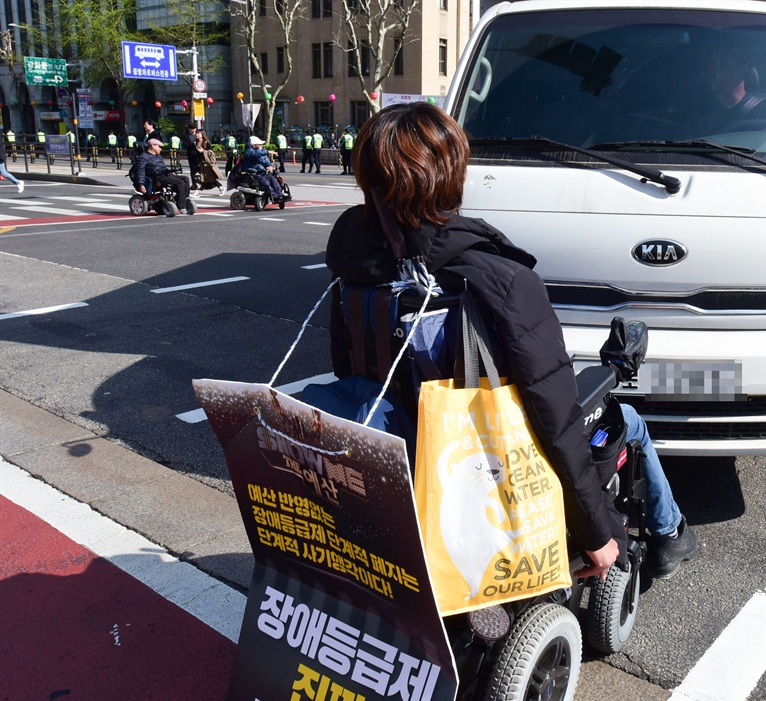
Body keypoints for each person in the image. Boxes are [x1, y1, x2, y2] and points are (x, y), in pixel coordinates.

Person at [324, 103, 699, 578]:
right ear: (451, 176)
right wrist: (600, 532)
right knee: (626, 419)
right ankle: (669, 536)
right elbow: (555, 421)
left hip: (396, 457)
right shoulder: (500, 279)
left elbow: (348, 371)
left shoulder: (352, 274)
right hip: (486, 467)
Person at [129, 136, 191, 210]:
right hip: (157, 177)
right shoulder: (143, 157)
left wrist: (171, 173)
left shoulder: (158, 156)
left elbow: (163, 167)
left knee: (185, 179)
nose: (161, 149)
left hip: (164, 174)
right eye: (159, 147)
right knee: (180, 183)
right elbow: (141, 171)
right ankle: (181, 206)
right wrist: (141, 184)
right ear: (153, 146)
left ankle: (184, 199)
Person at [240, 136, 285, 202]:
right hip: (252, 174)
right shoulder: (249, 152)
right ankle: (274, 196)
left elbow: (266, 161)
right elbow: (255, 154)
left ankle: (280, 195)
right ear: (254, 145)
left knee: (273, 180)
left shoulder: (261, 152)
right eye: (259, 144)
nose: (261, 146)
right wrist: (268, 152)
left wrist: (270, 166)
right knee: (265, 182)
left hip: (262, 173)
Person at [195, 130, 226, 195]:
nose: (197, 135)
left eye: (198, 133)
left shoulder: (206, 143)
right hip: (200, 163)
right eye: (196, 133)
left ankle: (221, 187)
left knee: (211, 179)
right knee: (201, 178)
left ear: (202, 134)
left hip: (207, 164)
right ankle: (196, 192)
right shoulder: (196, 142)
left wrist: (203, 151)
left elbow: (211, 153)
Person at [183, 124, 202, 190]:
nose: (192, 130)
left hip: (198, 155)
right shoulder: (186, 136)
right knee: (193, 170)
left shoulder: (198, 135)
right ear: (189, 129)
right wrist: (192, 144)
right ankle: (194, 184)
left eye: (194, 128)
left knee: (200, 169)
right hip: (191, 155)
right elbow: (185, 145)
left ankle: (200, 183)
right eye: (191, 129)